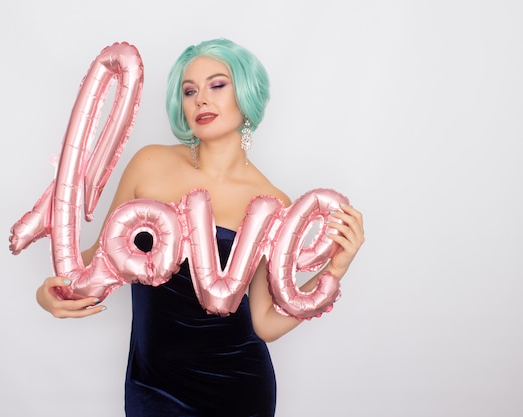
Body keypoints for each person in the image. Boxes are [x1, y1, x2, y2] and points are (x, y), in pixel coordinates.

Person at [35, 38, 364, 416]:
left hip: (237, 387)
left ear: (246, 94)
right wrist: (55, 292)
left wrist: (335, 269)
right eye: (189, 91)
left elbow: (264, 323)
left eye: (217, 85)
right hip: (151, 385)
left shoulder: (273, 202)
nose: (200, 99)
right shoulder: (150, 164)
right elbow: (99, 262)